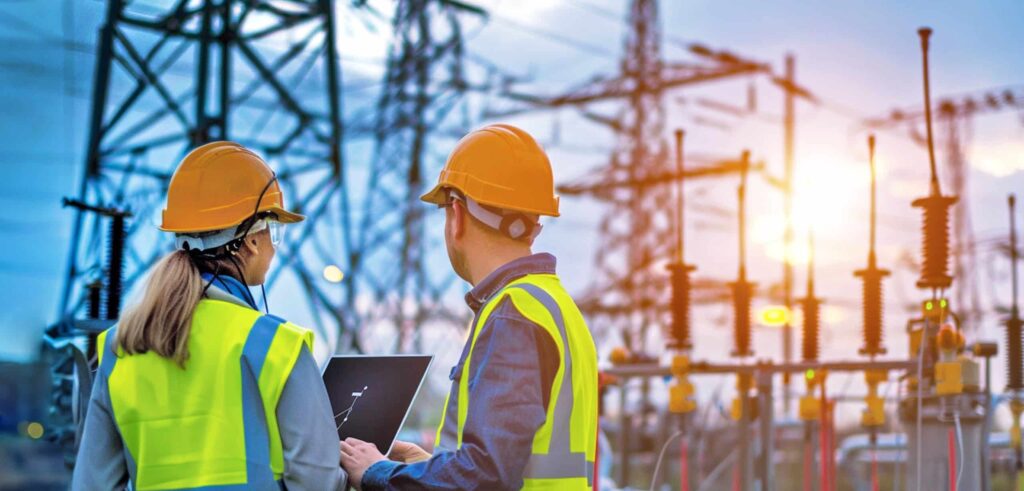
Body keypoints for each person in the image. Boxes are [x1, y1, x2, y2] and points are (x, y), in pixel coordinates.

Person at [71, 142, 347, 490]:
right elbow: (317, 483)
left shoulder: (121, 347)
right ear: (251, 240)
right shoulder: (276, 346)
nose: (274, 246)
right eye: (274, 232)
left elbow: (92, 483)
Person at [341, 124, 599, 490]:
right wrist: (427, 468)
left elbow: (486, 474)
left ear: (457, 215)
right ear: (533, 226)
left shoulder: (514, 314)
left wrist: (378, 473)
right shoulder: (553, 305)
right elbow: (508, 463)